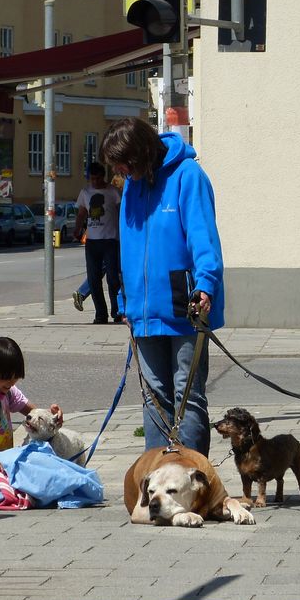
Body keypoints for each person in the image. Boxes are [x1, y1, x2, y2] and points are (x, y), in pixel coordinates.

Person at [100, 117, 224, 457]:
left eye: (125, 162)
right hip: (143, 309)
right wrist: (125, 299)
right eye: (117, 165)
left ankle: (192, 477)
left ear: (142, 152)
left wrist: (206, 285)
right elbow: (128, 246)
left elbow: (203, 238)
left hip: (186, 303)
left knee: (188, 394)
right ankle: (157, 477)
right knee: (153, 394)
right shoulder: (132, 187)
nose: (121, 170)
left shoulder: (188, 176)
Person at [0, 337, 62, 488]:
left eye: (16, 377)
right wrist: (9, 469)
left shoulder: (6, 390)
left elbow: (31, 412)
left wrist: (51, 417)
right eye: (8, 377)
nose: (12, 382)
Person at [74, 162, 123, 324]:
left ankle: (117, 311)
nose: (94, 182)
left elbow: (121, 212)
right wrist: (77, 229)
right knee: (94, 279)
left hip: (110, 240)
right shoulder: (85, 192)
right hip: (92, 242)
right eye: (91, 179)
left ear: (103, 177)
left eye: (97, 178)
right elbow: (82, 213)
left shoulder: (113, 192)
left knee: (113, 279)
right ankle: (100, 314)